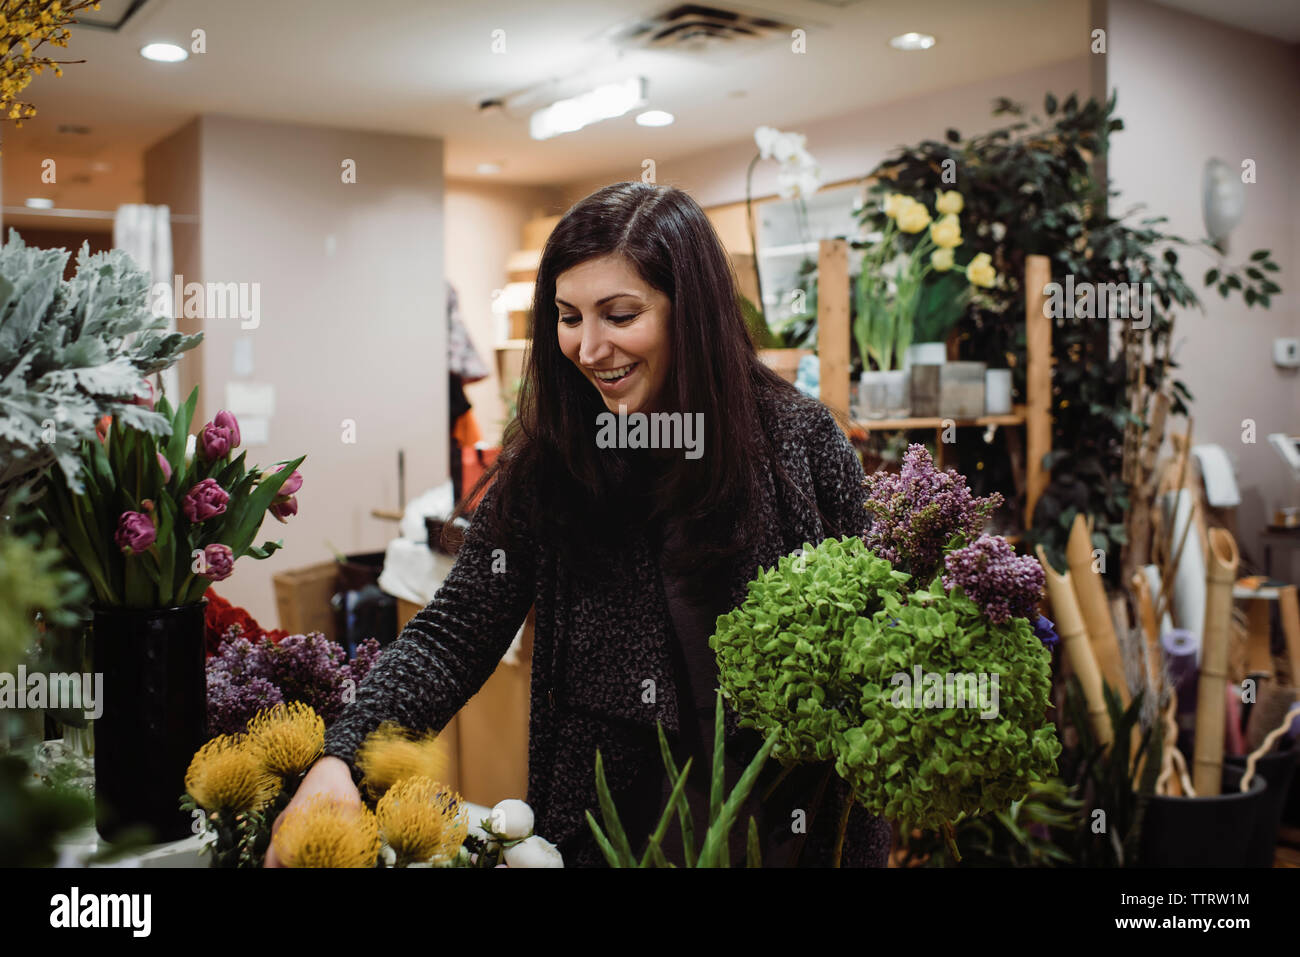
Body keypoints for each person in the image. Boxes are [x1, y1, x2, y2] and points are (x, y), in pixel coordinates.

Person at [265, 181, 891, 867]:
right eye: (568, 317)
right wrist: (342, 756)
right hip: (613, 829)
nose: (589, 348)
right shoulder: (556, 458)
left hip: (784, 831)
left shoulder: (798, 443)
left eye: (619, 315)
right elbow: (456, 629)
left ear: (694, 312)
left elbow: (875, 644)